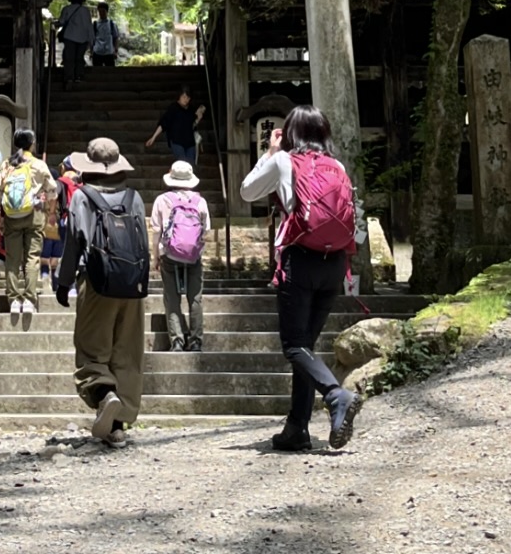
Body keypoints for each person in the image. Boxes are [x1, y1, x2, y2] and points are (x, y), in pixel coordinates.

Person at [240, 104, 364, 452]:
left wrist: (269, 153)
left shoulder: (284, 161)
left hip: (300, 260)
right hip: (335, 263)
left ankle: (336, 395)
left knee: (294, 346)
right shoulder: (337, 165)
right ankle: (297, 428)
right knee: (305, 348)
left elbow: (247, 192)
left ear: (291, 133)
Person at [56, 137, 149, 448]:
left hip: (97, 283)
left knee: (93, 351)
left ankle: (104, 395)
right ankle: (118, 425)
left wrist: (63, 281)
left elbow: (74, 242)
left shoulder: (82, 197)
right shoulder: (134, 197)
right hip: (132, 285)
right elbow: (144, 245)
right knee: (127, 352)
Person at [150, 160, 211, 352]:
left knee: (172, 297)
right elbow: (206, 230)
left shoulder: (162, 200)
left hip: (169, 254)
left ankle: (177, 340)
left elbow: (156, 231)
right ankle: (196, 341)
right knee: (195, 298)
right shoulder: (200, 201)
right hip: (193, 256)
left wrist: (155, 257)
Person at [0, 128, 59, 316]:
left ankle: (14, 299)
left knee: (13, 258)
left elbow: (0, 190)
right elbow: (53, 190)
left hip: (11, 216)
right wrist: (51, 209)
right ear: (32, 143)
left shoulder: (7, 164)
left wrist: (1, 217)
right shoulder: (38, 164)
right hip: (35, 213)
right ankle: (30, 300)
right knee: (32, 257)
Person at [145, 85, 205, 164]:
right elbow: (164, 123)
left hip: (190, 142)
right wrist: (153, 137)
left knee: (191, 166)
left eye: (188, 97)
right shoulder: (173, 108)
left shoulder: (191, 109)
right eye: (184, 97)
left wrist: (198, 117)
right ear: (179, 96)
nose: (186, 100)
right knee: (182, 164)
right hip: (177, 141)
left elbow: (193, 125)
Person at [55, 0, 93, 87]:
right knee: (79, 58)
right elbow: (89, 26)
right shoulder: (86, 11)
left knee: (69, 58)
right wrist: (91, 40)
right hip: (83, 38)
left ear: (71, 0)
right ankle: (78, 77)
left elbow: (62, 22)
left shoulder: (66, 9)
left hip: (70, 37)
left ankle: (69, 78)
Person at [89, 2, 120, 67]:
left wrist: (116, 51)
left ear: (107, 12)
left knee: (110, 74)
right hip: (97, 52)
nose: (101, 13)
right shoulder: (95, 24)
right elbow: (92, 39)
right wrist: (91, 51)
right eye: (100, 11)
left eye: (103, 11)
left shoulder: (112, 24)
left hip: (109, 52)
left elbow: (116, 38)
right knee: (97, 73)